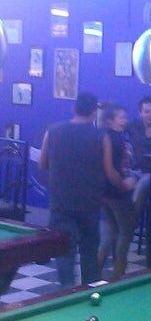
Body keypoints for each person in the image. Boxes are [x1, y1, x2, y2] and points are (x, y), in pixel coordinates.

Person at [39, 92, 105, 287]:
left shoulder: (53, 131)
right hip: (89, 204)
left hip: (61, 203)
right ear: (94, 112)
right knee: (89, 253)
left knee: (64, 254)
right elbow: (107, 169)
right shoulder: (100, 136)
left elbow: (42, 163)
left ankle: (66, 292)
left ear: (74, 108)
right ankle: (90, 290)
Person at [97, 104, 138, 279]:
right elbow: (114, 169)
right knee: (126, 230)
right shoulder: (116, 140)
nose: (124, 121)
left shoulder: (101, 136)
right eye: (121, 118)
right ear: (109, 121)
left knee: (109, 231)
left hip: (103, 193)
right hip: (117, 193)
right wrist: (124, 184)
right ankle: (118, 272)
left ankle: (94, 272)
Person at [126, 96, 151, 213]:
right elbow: (114, 129)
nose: (150, 115)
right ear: (140, 113)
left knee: (141, 188)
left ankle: (131, 218)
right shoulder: (132, 126)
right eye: (147, 111)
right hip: (134, 170)